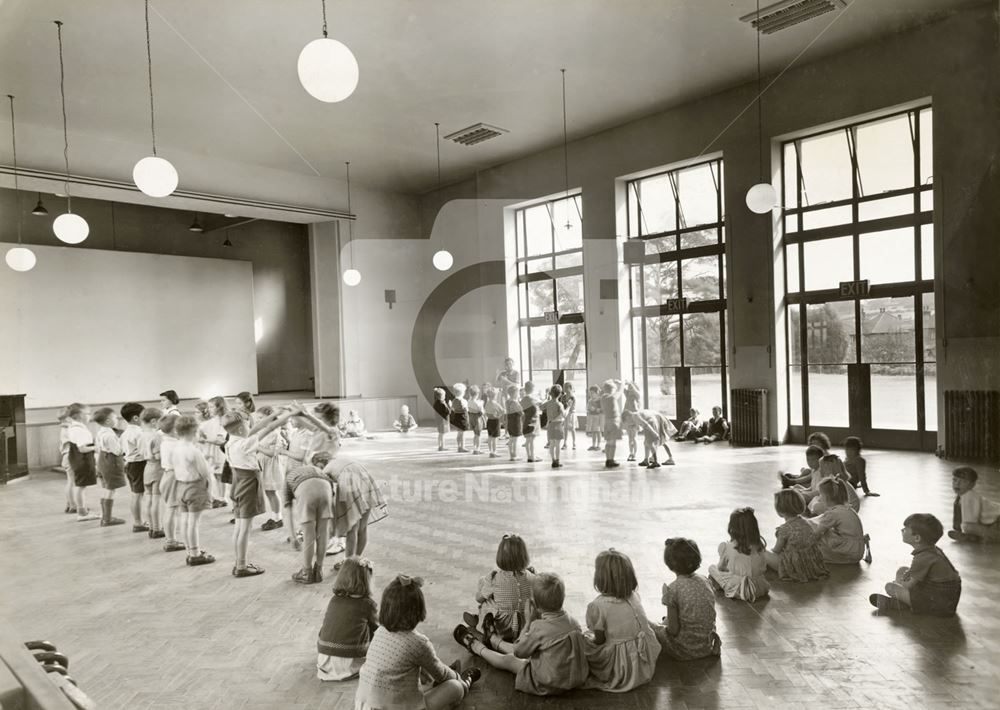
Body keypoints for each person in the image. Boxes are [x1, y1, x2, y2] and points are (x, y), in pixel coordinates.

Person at [453, 572, 588, 696]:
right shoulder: (574, 622)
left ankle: (476, 646)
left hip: (548, 681)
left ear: (537, 607)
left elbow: (519, 651)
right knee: (536, 649)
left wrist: (528, 622)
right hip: (571, 677)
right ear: (563, 598)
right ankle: (493, 639)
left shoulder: (538, 628)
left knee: (510, 660)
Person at [355, 574, 478, 710]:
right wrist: (457, 678)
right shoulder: (419, 642)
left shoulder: (379, 633)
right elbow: (442, 674)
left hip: (365, 706)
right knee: (455, 687)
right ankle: (466, 683)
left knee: (420, 679)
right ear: (418, 610)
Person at [224, 407, 299, 578]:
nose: (252, 425)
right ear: (241, 428)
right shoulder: (244, 444)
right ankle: (241, 565)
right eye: (247, 424)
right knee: (245, 527)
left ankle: (239, 562)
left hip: (237, 482)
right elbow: (268, 429)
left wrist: (273, 415)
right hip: (247, 483)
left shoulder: (231, 441)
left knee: (239, 526)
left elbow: (258, 428)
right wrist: (288, 415)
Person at [581, 549, 661, 693]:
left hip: (622, 665)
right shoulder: (634, 596)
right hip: (645, 657)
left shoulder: (598, 606)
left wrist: (588, 640)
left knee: (581, 641)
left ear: (600, 578)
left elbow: (599, 640)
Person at [870, 514, 961, 616]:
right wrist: (906, 577)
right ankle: (901, 602)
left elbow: (909, 585)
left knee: (890, 587)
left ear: (917, 538)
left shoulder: (922, 557)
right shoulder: (932, 550)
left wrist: (899, 583)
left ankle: (898, 603)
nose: (902, 530)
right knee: (902, 570)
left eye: (905, 529)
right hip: (943, 598)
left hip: (938, 604)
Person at [654, 538, 722, 660]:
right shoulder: (705, 580)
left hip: (684, 649)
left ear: (670, 564)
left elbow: (673, 630)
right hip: (705, 646)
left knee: (652, 627)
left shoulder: (673, 589)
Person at [463, 534, 535, 643]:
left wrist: (481, 591)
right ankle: (478, 619)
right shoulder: (533, 577)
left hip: (501, 627)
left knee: (486, 591)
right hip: (524, 626)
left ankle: (480, 621)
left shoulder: (494, 578)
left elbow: (479, 599)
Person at [318, 556, 379, 681]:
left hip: (323, 655)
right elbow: (378, 631)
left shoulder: (334, 599)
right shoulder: (367, 604)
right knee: (374, 630)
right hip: (348, 660)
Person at [326, 453, 388, 569]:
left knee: (352, 528)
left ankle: (348, 563)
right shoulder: (340, 459)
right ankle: (357, 559)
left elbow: (326, 492)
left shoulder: (325, 469)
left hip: (350, 485)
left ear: (320, 462)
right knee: (362, 527)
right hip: (365, 481)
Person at [284, 451, 336, 584]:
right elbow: (333, 504)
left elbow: (287, 511)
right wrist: (333, 527)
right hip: (325, 487)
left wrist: (293, 537)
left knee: (309, 535)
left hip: (305, 489)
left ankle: (306, 572)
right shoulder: (325, 475)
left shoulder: (290, 475)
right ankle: (318, 571)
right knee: (322, 534)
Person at [172, 415, 216, 566]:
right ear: (194, 432)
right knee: (194, 523)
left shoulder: (176, 447)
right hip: (195, 487)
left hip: (181, 486)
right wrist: (211, 464)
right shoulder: (194, 451)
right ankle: (196, 554)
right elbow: (205, 473)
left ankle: (189, 551)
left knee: (185, 521)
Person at [764, 489, 828, 582]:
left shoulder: (784, 529)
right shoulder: (807, 523)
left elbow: (776, 550)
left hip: (792, 567)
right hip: (810, 566)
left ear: (780, 511)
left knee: (762, 552)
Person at [708, 508, 770, 602]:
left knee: (712, 568)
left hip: (738, 589)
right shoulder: (759, 546)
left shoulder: (728, 546)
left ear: (732, 528)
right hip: (759, 588)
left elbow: (720, 567)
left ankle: (720, 586)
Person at [811, 478, 871, 564]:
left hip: (849, 553)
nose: (819, 498)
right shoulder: (847, 508)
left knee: (816, 529)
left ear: (828, 497)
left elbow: (816, 534)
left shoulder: (833, 514)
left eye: (821, 494)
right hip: (858, 551)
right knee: (824, 528)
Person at [65, 403, 100, 521]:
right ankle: (82, 513)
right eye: (87, 414)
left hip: (77, 458)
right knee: (81, 486)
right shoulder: (79, 430)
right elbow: (82, 448)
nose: (89, 416)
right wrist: (96, 448)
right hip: (82, 459)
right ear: (80, 416)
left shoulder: (73, 427)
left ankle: (82, 509)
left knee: (80, 486)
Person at [92, 407, 127, 527]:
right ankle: (107, 519)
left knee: (107, 488)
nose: (117, 419)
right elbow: (118, 451)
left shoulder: (101, 431)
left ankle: (105, 517)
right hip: (111, 462)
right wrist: (124, 443)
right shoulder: (109, 435)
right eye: (115, 417)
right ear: (108, 421)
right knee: (111, 489)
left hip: (103, 459)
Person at [158, 414, 186, 552]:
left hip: (167, 475)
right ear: (176, 431)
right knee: (171, 509)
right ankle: (171, 541)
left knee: (170, 508)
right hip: (173, 477)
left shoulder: (165, 442)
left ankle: (170, 538)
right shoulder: (175, 445)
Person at [949, 466, 1000, 542]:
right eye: (955, 480)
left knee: (967, 526)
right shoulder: (960, 498)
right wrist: (958, 528)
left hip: (997, 521)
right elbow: (957, 520)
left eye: (964, 481)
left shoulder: (969, 497)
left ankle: (990, 537)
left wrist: (964, 530)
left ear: (972, 485)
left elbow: (969, 523)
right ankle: (978, 537)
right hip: (993, 522)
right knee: (968, 526)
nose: (957, 484)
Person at [119, 402, 149, 533]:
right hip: (138, 464)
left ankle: (138, 521)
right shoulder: (139, 433)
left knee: (136, 493)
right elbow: (144, 452)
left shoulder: (125, 433)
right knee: (138, 494)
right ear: (136, 418)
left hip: (130, 463)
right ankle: (138, 522)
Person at [140, 407, 165, 539]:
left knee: (148, 498)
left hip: (147, 468)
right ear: (154, 421)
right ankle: (157, 528)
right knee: (157, 499)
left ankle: (150, 526)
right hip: (157, 468)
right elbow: (158, 456)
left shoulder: (141, 434)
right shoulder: (157, 436)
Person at [57, 409, 77, 514]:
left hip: (66, 456)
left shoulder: (64, 429)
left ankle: (69, 504)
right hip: (70, 456)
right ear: (67, 419)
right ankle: (73, 505)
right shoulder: (68, 430)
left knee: (70, 481)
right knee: (72, 482)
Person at [600, 380, 623, 468]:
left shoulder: (603, 397)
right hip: (614, 422)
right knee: (613, 443)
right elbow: (620, 392)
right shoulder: (612, 397)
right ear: (612, 389)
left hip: (607, 421)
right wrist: (621, 384)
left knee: (608, 442)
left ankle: (607, 459)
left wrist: (611, 382)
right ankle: (611, 460)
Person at [542, 385, 566, 468]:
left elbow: (541, 407)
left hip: (551, 425)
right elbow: (564, 415)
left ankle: (553, 460)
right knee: (558, 444)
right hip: (558, 424)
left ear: (550, 394)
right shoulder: (559, 404)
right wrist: (569, 407)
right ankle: (557, 460)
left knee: (552, 444)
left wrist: (546, 398)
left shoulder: (548, 403)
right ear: (560, 394)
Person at [520, 382, 541, 463]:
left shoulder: (523, 400)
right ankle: (532, 456)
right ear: (533, 389)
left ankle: (529, 456)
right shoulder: (533, 400)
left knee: (528, 441)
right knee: (531, 441)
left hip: (525, 422)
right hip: (532, 423)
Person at [621, 382, 641, 462]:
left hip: (634, 419)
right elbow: (622, 389)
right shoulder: (628, 395)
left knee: (634, 438)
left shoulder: (637, 397)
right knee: (630, 438)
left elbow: (636, 392)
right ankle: (631, 453)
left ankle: (635, 454)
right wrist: (625, 383)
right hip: (628, 419)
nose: (630, 388)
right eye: (629, 387)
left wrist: (631, 385)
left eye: (631, 387)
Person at [483, 387, 504, 459]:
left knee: (490, 437)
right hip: (495, 421)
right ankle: (494, 452)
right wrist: (499, 415)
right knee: (495, 438)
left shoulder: (487, 403)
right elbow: (502, 411)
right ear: (495, 396)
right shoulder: (495, 404)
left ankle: (490, 451)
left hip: (489, 421)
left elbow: (485, 412)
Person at [505, 385, 523, 462]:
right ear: (515, 393)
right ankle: (514, 455)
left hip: (509, 420)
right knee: (515, 439)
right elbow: (521, 412)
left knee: (511, 438)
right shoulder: (515, 402)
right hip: (516, 421)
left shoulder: (507, 401)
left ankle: (511, 454)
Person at [450, 384, 470, 452]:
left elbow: (453, 408)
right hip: (462, 417)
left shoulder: (454, 401)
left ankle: (458, 446)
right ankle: (462, 447)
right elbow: (466, 409)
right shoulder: (463, 401)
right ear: (462, 392)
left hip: (457, 417)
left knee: (459, 433)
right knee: (463, 434)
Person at [585, 385, 603, 451]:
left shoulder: (600, 400)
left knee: (598, 431)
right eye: (590, 393)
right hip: (592, 417)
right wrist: (589, 409)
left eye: (592, 393)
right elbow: (588, 408)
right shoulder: (590, 401)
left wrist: (596, 409)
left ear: (597, 392)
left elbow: (602, 409)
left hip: (598, 418)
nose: (591, 395)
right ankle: (593, 445)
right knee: (593, 432)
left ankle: (598, 445)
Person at [467, 385, 484, 455]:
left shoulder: (469, 401)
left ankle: (474, 448)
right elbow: (482, 412)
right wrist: (482, 404)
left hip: (471, 418)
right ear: (477, 394)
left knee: (475, 434)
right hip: (477, 419)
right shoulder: (478, 403)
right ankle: (478, 449)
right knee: (478, 435)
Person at [560, 382, 577, 450]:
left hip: (571, 414)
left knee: (572, 429)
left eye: (567, 388)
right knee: (565, 429)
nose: (566, 389)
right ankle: (565, 443)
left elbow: (570, 406)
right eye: (564, 388)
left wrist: (567, 407)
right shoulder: (563, 397)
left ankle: (574, 443)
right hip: (565, 414)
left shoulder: (572, 397)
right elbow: (562, 405)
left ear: (571, 388)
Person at [432, 388, 450, 452]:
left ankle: (439, 445)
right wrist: (448, 405)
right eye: (444, 395)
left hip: (438, 420)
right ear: (441, 396)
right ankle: (442, 446)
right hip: (443, 421)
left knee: (440, 434)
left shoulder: (435, 403)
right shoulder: (442, 403)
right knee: (442, 434)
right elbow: (448, 411)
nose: (445, 397)